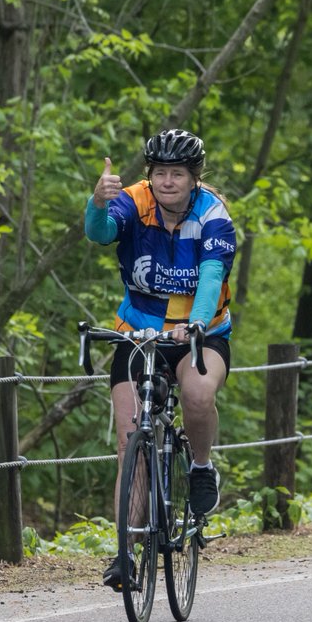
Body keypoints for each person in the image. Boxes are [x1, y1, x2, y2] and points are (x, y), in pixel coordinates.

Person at [84, 128, 235, 590]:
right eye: (160, 173)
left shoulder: (213, 215)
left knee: (195, 393)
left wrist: (198, 322)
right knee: (131, 443)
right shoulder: (134, 200)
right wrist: (96, 203)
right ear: (150, 175)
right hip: (139, 333)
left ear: (194, 179)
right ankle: (125, 556)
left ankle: (201, 466)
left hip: (199, 332)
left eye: (178, 174)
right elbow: (101, 234)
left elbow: (211, 277)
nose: (168, 181)